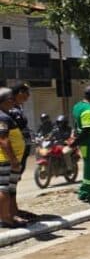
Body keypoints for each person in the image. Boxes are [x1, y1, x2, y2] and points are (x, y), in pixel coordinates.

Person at [0, 89, 27, 227]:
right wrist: (13, 160)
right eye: (11, 98)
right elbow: (3, 140)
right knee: (3, 188)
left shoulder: (6, 115)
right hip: (5, 159)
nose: (13, 100)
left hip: (9, 159)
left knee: (10, 189)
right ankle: (5, 219)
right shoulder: (2, 117)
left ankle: (10, 216)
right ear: (6, 100)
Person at [9, 84, 34, 220]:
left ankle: (14, 209)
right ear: (18, 93)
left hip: (21, 151)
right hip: (13, 152)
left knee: (15, 181)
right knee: (10, 182)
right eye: (26, 93)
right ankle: (10, 212)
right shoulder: (9, 109)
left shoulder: (18, 108)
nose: (28, 96)